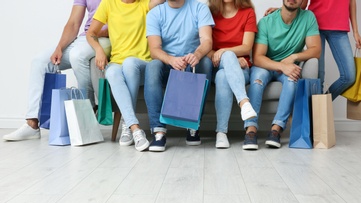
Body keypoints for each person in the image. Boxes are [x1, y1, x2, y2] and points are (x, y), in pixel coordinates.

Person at [3, 0, 111, 142]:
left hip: (107, 38)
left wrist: (95, 33)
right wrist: (59, 47)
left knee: (77, 55)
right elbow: (73, 23)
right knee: (40, 62)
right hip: (86, 38)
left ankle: (88, 112)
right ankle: (32, 124)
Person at [87, 0, 163, 152]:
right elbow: (91, 33)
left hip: (143, 64)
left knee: (129, 64)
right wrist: (99, 50)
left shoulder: (146, 3)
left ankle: (127, 123)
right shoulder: (108, 3)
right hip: (118, 62)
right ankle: (134, 127)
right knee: (112, 72)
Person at [243, 0, 321, 150]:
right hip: (265, 65)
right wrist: (281, 66)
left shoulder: (308, 17)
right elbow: (258, 57)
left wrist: (293, 57)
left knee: (292, 80)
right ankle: (251, 130)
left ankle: (276, 129)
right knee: (257, 81)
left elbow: (316, 49)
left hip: (288, 66)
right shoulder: (266, 22)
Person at [144, 0, 214, 152]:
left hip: (192, 63)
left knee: (206, 63)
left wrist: (197, 54)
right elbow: (154, 49)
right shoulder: (155, 13)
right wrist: (171, 60)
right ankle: (158, 132)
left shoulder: (199, 8)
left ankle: (192, 126)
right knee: (152, 66)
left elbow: (207, 41)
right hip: (167, 63)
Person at [208, 0, 257, 149]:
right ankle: (244, 103)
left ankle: (221, 133)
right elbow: (206, 48)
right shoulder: (210, 13)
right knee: (228, 58)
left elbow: (247, 47)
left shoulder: (248, 12)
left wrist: (226, 52)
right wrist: (226, 55)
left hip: (241, 68)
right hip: (217, 63)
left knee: (223, 76)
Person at [301, 0, 361, 100]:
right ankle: (317, 113)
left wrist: (355, 32)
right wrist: (282, 13)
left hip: (339, 27)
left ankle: (322, 105)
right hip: (314, 25)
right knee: (318, 77)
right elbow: (303, 3)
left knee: (349, 77)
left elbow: (352, 2)